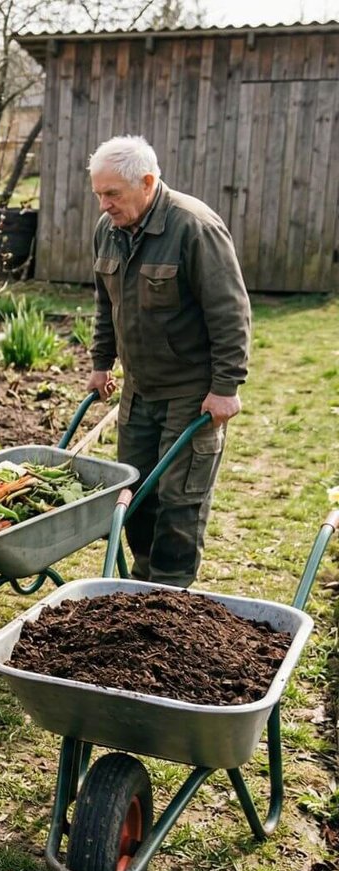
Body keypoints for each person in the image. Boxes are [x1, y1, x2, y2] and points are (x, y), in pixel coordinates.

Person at [85, 135, 251, 588]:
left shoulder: (194, 227)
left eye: (112, 194)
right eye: (98, 193)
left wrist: (227, 387)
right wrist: (102, 362)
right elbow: (106, 304)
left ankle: (171, 592)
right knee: (135, 493)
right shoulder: (110, 231)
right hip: (139, 390)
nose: (103, 205)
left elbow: (230, 311)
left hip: (191, 391)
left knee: (180, 499)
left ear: (147, 182)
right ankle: (144, 586)